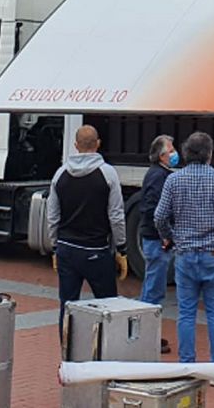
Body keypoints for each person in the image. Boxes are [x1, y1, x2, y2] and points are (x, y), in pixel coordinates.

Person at [154, 131, 214, 365]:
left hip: (185, 254)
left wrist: (170, 237)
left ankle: (187, 363)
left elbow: (159, 217)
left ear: (185, 153)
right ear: (209, 154)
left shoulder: (173, 180)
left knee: (186, 313)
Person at [46, 125, 126, 327]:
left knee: (67, 305)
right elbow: (116, 215)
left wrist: (55, 246)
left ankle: (67, 354)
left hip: (67, 248)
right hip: (96, 250)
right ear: (98, 144)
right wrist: (121, 248)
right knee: (108, 306)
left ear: (75, 145)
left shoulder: (60, 174)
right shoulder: (108, 174)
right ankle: (106, 354)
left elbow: (52, 216)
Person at [137, 134, 178, 354]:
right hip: (156, 239)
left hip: (154, 237)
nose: (174, 153)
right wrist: (164, 235)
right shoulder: (158, 177)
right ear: (161, 155)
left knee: (153, 287)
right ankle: (146, 335)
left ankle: (146, 332)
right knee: (153, 289)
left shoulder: (159, 175)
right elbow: (153, 208)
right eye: (170, 150)